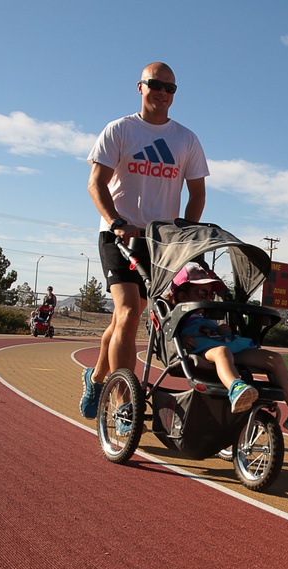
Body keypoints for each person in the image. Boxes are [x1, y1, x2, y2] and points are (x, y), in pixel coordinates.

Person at [79, 61, 209, 419]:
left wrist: (184, 233)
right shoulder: (120, 130)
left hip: (160, 242)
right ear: (140, 87)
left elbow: (197, 193)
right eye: (156, 85)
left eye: (170, 88)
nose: (163, 93)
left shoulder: (186, 139)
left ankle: (98, 376)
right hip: (119, 235)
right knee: (127, 312)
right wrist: (116, 221)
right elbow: (95, 184)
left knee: (127, 317)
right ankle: (123, 403)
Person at [170, 263, 288, 439]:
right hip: (202, 350)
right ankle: (236, 387)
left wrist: (223, 330)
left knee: (275, 358)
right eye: (204, 293)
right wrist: (182, 339)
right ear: (182, 296)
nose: (210, 298)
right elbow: (171, 335)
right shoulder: (179, 316)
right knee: (222, 352)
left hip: (226, 346)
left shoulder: (209, 316)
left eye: (211, 294)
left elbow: (216, 331)